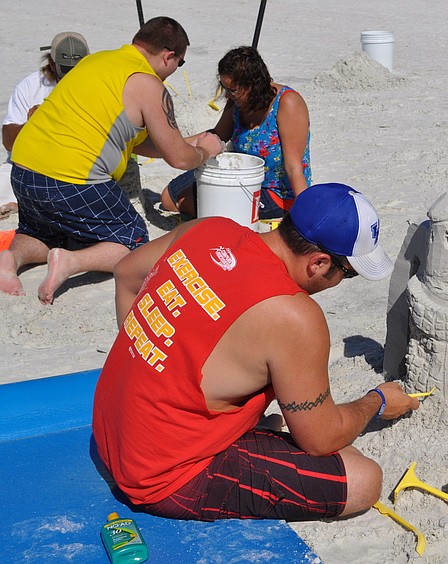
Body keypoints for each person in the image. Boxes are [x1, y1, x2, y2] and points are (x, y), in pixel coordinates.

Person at [93, 182, 420, 522]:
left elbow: (125, 274)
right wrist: (377, 402)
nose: (340, 281)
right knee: (363, 478)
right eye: (347, 274)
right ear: (320, 263)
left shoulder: (209, 228)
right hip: (163, 475)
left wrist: (153, 357)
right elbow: (320, 439)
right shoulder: (293, 316)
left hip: (108, 431)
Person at [0, 17, 223, 304]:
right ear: (169, 56)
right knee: (134, 240)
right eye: (179, 64)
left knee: (42, 231)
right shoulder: (148, 84)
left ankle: (10, 259)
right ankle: (71, 262)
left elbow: (138, 142)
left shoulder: (96, 62)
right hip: (70, 179)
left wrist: (190, 141)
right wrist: (205, 152)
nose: (175, 71)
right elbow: (180, 160)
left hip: (24, 170)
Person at [160, 46, 311, 219]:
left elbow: (294, 167)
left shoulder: (288, 103)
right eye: (224, 88)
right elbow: (217, 134)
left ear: (253, 86)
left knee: (187, 203)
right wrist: (173, 144)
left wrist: (306, 215)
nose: (226, 96)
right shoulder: (238, 102)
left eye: (232, 90)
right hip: (239, 175)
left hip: (275, 191)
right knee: (168, 199)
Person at [1, 32, 90, 219]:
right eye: (66, 69)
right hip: (29, 163)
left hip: (75, 165)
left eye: (78, 68)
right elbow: (9, 142)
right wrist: (33, 124)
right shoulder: (30, 86)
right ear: (51, 63)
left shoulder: (96, 84)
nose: (71, 75)